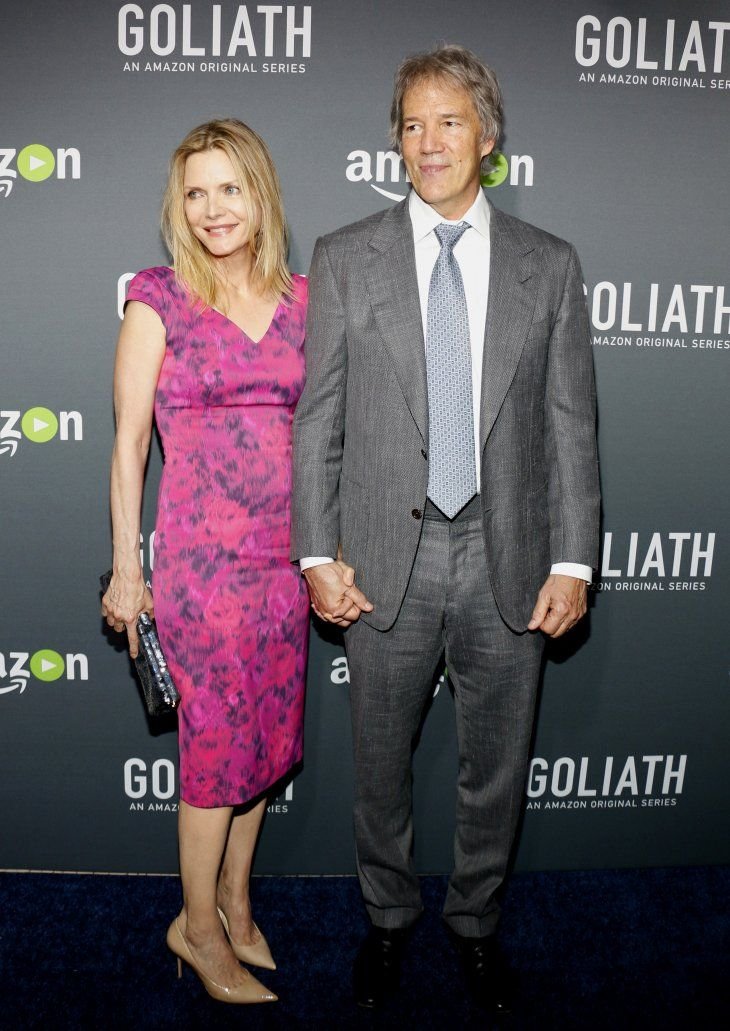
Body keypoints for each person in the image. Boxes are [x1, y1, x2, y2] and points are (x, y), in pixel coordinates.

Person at [292, 45, 600, 1013]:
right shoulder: (345, 257)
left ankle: (473, 924)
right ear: (396, 140)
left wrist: (572, 556)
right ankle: (387, 919)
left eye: (450, 121)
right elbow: (319, 418)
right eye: (413, 124)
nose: (429, 142)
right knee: (378, 766)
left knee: (494, 770)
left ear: (489, 137)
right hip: (384, 556)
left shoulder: (547, 264)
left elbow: (569, 422)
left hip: (508, 556)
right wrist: (314, 551)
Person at [101, 119, 308, 1004]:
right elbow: (128, 443)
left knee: (267, 746)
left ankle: (233, 895)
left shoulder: (306, 298)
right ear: (177, 208)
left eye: (230, 188)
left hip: (284, 568)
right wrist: (125, 566)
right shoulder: (159, 297)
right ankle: (194, 927)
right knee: (218, 755)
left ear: (259, 192)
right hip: (202, 573)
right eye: (196, 192)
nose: (214, 208)